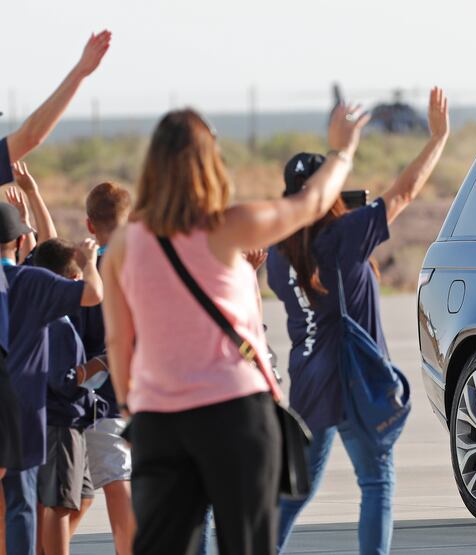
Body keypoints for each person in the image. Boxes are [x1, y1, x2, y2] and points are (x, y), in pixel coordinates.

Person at [100, 103, 369, 555]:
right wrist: (342, 152)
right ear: (209, 163)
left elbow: (117, 341)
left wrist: (133, 409)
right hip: (235, 414)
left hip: (159, 421)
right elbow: (311, 204)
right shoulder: (228, 227)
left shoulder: (124, 245)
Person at [268, 86, 449, 555]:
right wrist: (437, 138)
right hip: (355, 380)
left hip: (308, 378)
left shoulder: (275, 253)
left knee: (296, 490)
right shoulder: (345, 237)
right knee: (375, 481)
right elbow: (404, 192)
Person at [1, 204, 102, 555]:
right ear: (16, 241)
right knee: (29, 504)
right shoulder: (33, 284)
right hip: (30, 411)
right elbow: (92, 294)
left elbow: (46, 250)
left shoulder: (27, 278)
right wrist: (90, 262)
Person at [33, 239, 108, 555]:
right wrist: (96, 366)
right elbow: (63, 381)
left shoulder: (43, 311)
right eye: (76, 277)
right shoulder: (58, 324)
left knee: (83, 495)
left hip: (60, 420)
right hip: (61, 420)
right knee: (60, 504)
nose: (80, 283)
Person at [73, 182, 136, 555]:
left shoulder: (88, 272)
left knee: (116, 485)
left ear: (89, 224)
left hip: (104, 399)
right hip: (155, 395)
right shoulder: (149, 265)